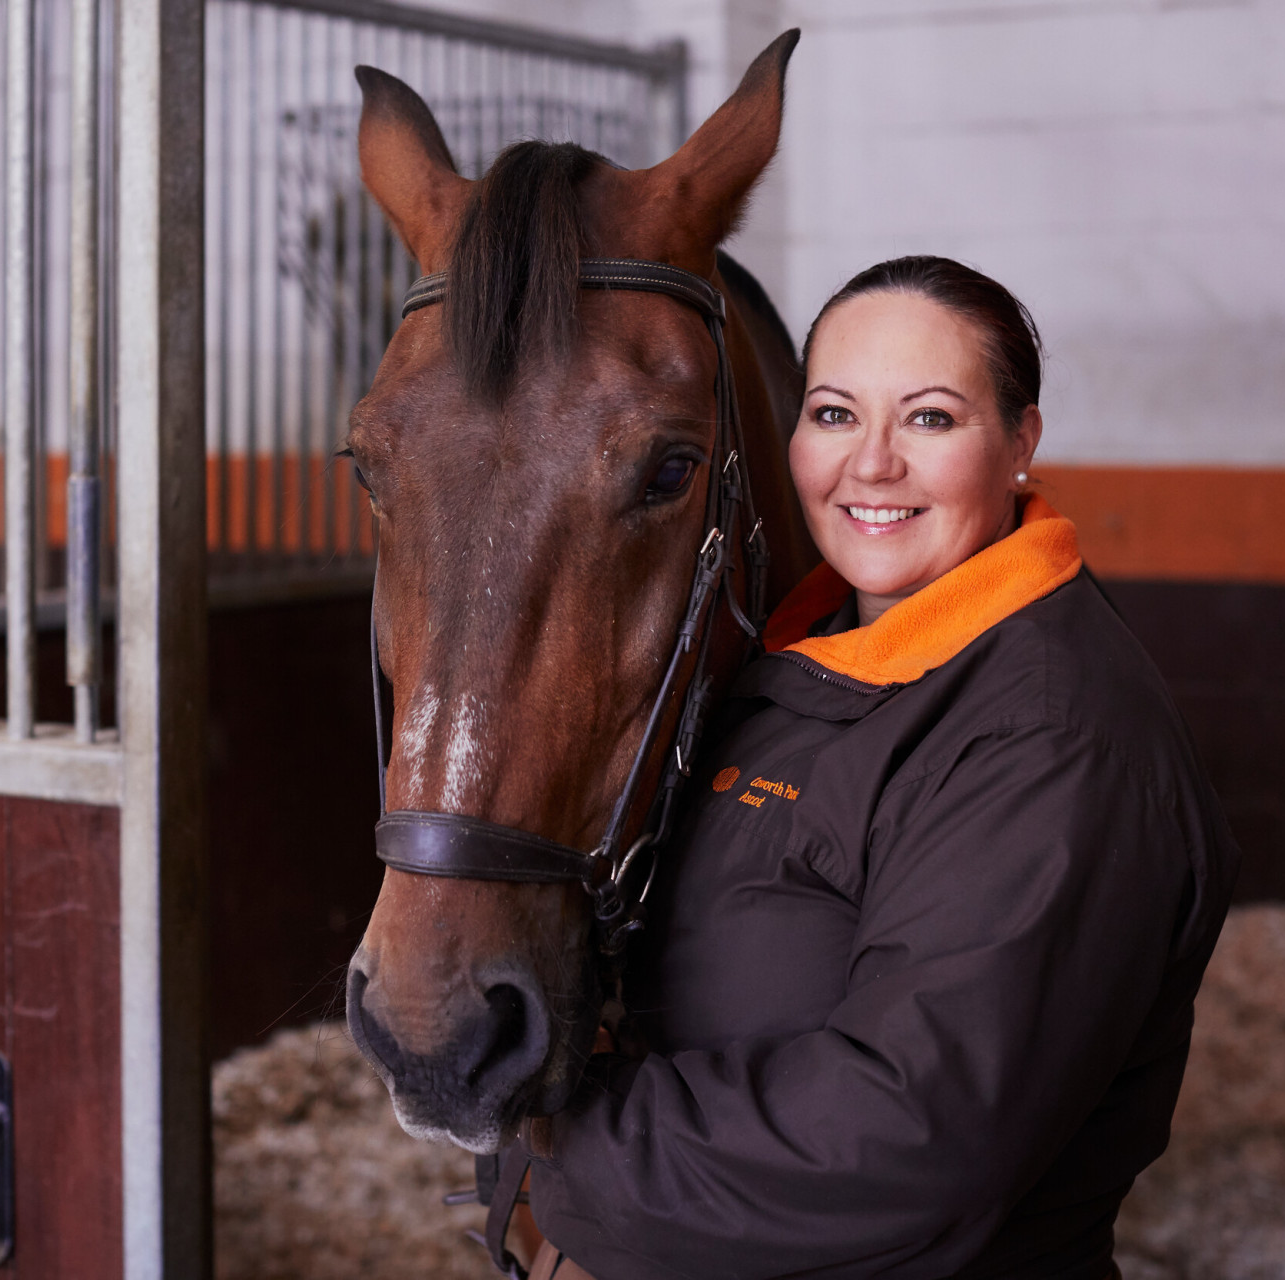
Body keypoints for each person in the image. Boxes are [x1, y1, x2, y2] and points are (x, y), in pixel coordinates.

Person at [524, 256, 1241, 1279]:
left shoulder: (1052, 740)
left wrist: (561, 1134)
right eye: (834, 413)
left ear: (1021, 442)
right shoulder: (791, 657)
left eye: (931, 419)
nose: (870, 464)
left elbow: (912, 1132)